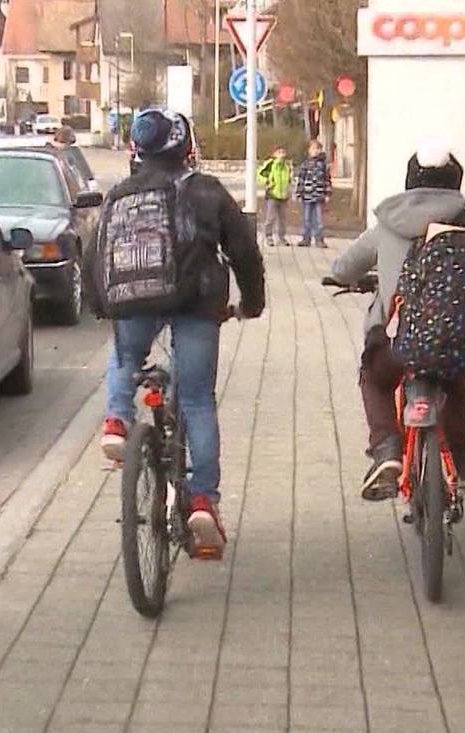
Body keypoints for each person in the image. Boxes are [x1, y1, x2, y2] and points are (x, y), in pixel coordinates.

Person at [98, 109, 266, 554]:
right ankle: (203, 502)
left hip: (133, 299)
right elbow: (245, 252)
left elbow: (99, 256)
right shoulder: (205, 190)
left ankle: (116, 419)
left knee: (126, 359)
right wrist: (251, 304)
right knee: (195, 399)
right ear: (185, 145)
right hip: (197, 302)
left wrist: (104, 306)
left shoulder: (120, 194)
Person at [331, 139, 465, 501]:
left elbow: (344, 267)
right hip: (456, 339)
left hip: (398, 341)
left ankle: (386, 451)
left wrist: (348, 279)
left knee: (374, 378)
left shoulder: (388, 223)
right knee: (450, 373)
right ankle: (460, 457)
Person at [296, 139, 331, 248]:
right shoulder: (305, 165)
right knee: (306, 218)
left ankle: (319, 239)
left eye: (317, 149)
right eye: (313, 149)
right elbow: (301, 179)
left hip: (319, 196)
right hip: (307, 196)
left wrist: (327, 193)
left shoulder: (323, 165)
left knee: (319, 219)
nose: (315, 151)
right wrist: (299, 193)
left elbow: (327, 180)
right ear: (309, 151)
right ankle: (306, 238)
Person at [257, 147, 293, 246]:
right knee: (270, 217)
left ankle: (282, 237)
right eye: (279, 152)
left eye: (283, 152)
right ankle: (268, 237)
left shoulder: (287, 166)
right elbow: (260, 174)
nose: (282, 154)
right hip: (272, 195)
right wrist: (268, 182)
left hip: (283, 196)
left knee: (283, 218)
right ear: (274, 154)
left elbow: (290, 178)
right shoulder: (270, 164)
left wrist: (289, 188)